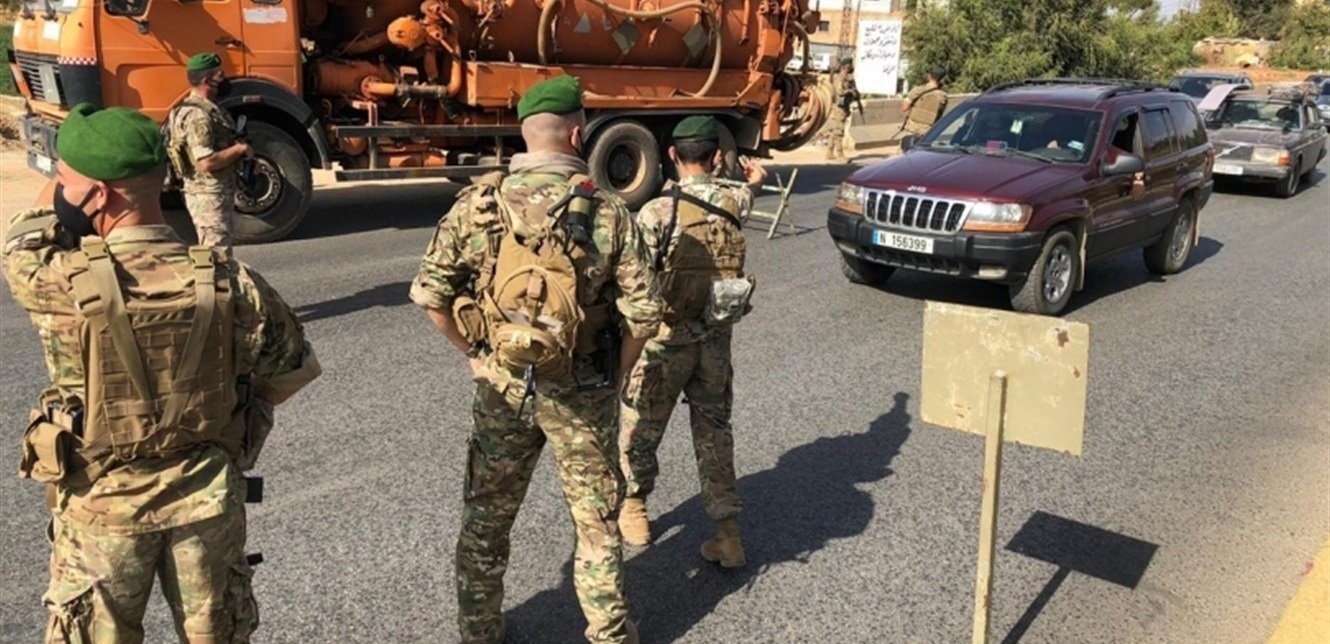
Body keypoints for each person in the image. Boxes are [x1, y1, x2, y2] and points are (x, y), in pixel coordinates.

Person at [3, 103, 321, 642]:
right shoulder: (231, 280)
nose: (60, 188)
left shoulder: (53, 280)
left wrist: (62, 190)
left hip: (102, 510)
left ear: (97, 196)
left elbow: (24, 236)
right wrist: (228, 421)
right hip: (207, 501)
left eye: (66, 180)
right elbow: (292, 369)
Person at [409, 75, 661, 644]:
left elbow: (429, 297)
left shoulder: (477, 206)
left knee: (487, 516)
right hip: (583, 390)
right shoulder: (607, 211)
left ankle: (479, 630)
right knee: (596, 523)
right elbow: (645, 313)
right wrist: (619, 373)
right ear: (576, 133)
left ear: (524, 134)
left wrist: (477, 355)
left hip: (504, 387)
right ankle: (609, 633)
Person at [617, 116, 764, 568]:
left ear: (671, 155)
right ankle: (728, 534)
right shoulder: (735, 201)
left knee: (642, 427)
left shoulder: (657, 212)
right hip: (715, 342)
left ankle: (635, 510)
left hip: (666, 343)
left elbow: (637, 282)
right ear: (717, 157)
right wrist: (753, 179)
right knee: (714, 432)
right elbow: (748, 190)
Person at [166, 52, 253, 256]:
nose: (225, 79)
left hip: (214, 191)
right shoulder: (198, 116)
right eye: (220, 75)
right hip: (209, 195)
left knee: (218, 254)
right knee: (217, 256)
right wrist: (240, 149)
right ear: (207, 80)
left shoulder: (205, 109)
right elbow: (206, 162)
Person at [827, 57, 863, 160]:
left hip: (845, 107)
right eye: (847, 67)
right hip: (839, 108)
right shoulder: (839, 78)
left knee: (835, 131)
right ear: (843, 67)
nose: (848, 69)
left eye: (849, 67)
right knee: (839, 131)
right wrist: (849, 92)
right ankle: (840, 154)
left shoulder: (850, 79)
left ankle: (829, 152)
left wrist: (856, 96)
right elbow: (839, 92)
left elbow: (856, 91)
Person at [900, 66, 949, 137]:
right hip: (929, 131)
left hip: (912, 128)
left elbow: (904, 108)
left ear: (929, 76)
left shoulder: (917, 90)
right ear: (942, 79)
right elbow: (940, 115)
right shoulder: (943, 96)